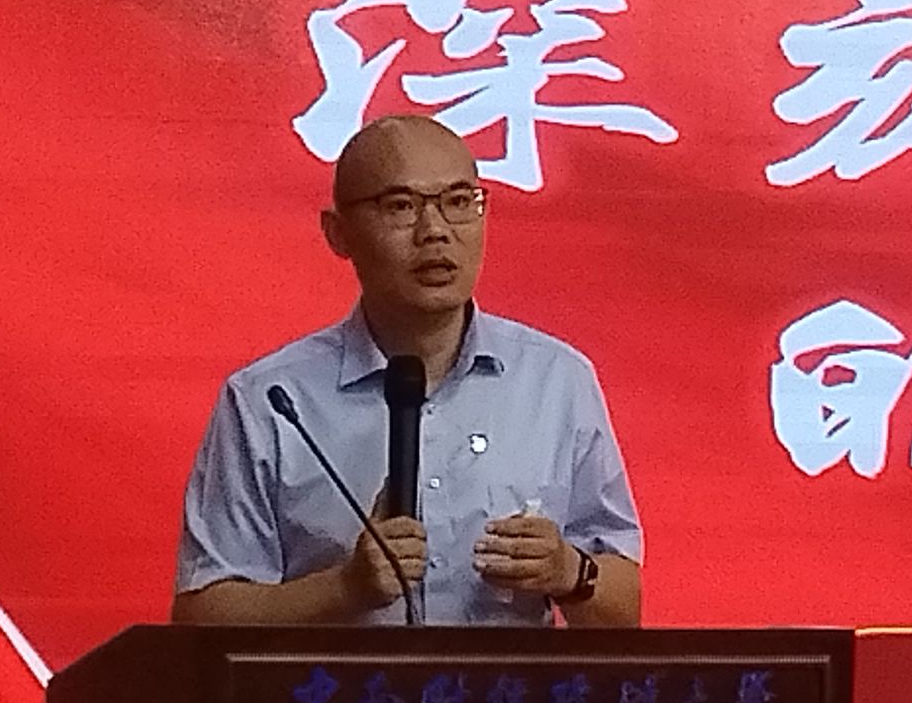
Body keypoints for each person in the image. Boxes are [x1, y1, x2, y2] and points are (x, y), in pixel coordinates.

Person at [173, 112, 644, 627]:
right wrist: (345, 588)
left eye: (459, 202)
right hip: (331, 683)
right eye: (400, 206)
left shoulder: (556, 380)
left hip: (505, 682)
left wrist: (568, 571)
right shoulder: (271, 400)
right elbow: (200, 619)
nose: (435, 231)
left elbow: (623, 609)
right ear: (338, 233)